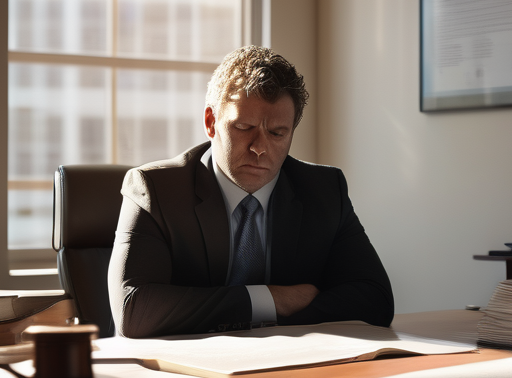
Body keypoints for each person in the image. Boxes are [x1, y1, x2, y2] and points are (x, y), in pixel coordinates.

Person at [108, 46, 394, 338]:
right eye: (244, 127)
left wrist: (266, 324)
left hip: (287, 366)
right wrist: (273, 300)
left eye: (277, 133)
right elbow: (135, 312)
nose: (260, 148)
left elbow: (375, 301)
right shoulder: (155, 189)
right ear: (210, 122)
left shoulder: (324, 190)